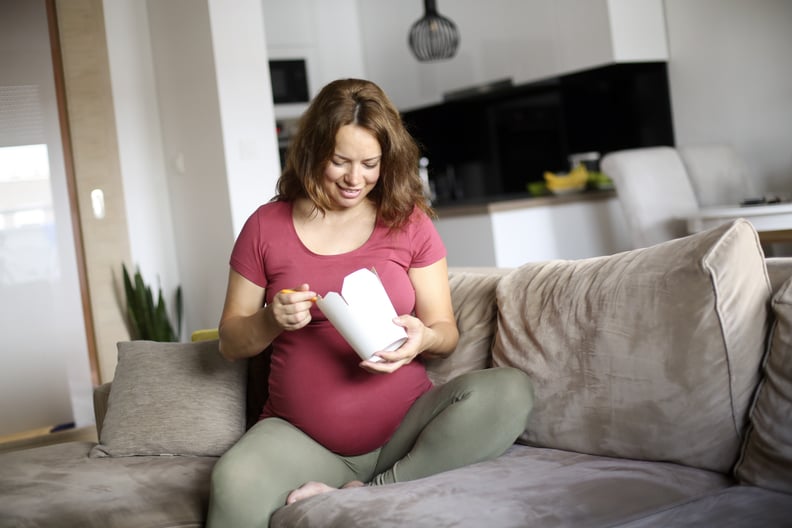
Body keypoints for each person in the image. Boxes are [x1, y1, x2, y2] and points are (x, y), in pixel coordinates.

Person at [206, 78, 534, 527]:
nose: (354, 179)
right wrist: (271, 319)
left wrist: (424, 338)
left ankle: (370, 492)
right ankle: (356, 486)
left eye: (369, 164)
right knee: (232, 480)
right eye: (339, 161)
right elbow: (229, 342)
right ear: (313, 150)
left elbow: (446, 330)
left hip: (407, 431)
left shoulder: (407, 221)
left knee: (511, 390)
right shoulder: (266, 226)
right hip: (302, 438)